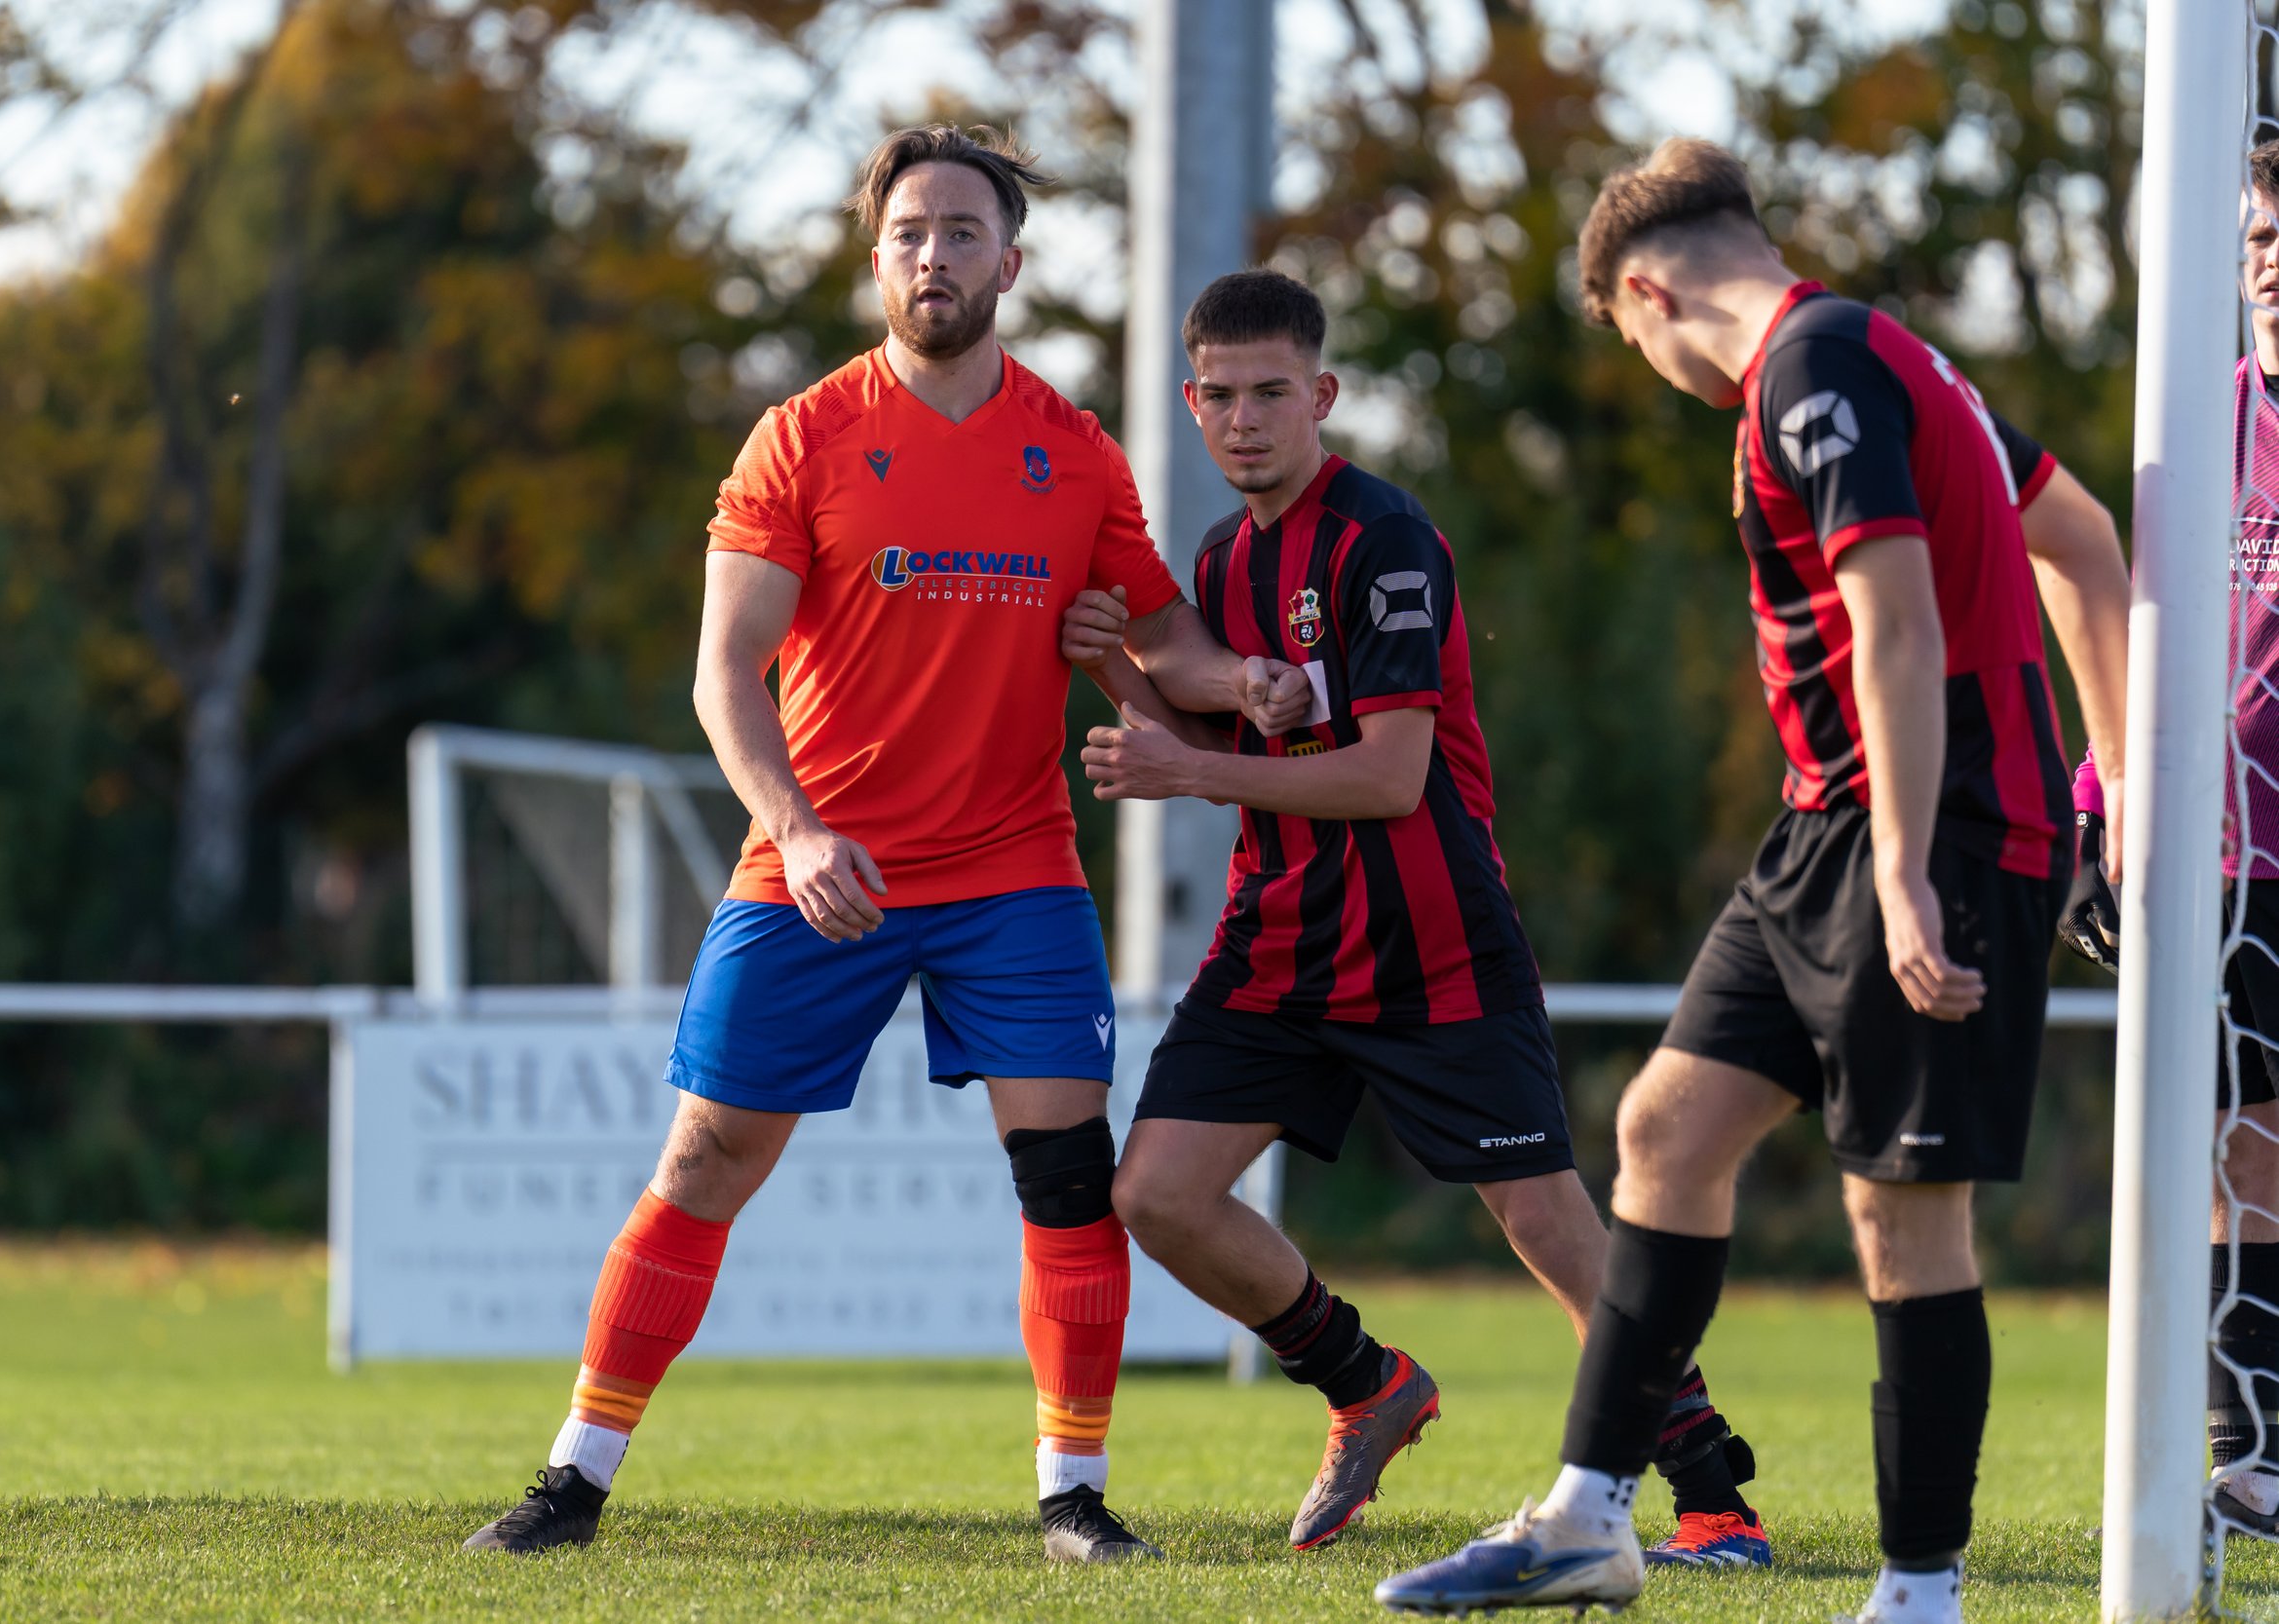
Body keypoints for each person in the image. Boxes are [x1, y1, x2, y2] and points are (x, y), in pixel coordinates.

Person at [459, 123, 1308, 1563]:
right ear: (877, 261)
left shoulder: (1075, 449)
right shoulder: (802, 436)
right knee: (707, 1160)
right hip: (817, 865)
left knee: (1064, 1173)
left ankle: (1073, 1500)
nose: (935, 255)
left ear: (1011, 263)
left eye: (962, 232)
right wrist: (792, 832)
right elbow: (724, 675)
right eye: (910, 232)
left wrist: (1248, 684)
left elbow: (1163, 636)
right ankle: (574, 1481)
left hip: (1013, 872)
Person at [1374, 138, 2129, 1624]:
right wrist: (2110, 773)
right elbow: (2085, 541)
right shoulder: (1899, 355)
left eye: (1628, 338)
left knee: (1903, 1222)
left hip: (1934, 832)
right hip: (1826, 830)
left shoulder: (1812, 367)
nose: (1650, 367)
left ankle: (1921, 1596)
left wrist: (1920, 868)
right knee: (1666, 1128)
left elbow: (1896, 623)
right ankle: (1592, 1519)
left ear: (1644, 292)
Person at [1062, 268, 1773, 1568]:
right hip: (1279, 943)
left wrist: (1189, 772)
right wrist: (1116, 665)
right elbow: (1216, 730)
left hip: (1431, 944)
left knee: (1554, 1232)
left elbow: (1388, 779)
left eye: (1273, 393)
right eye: (1218, 397)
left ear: (1322, 395)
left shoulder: (1383, 536)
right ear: (1191, 404)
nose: (1245, 421)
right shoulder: (1225, 556)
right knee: (1156, 1197)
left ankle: (1717, 1499)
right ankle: (1366, 1384)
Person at [2060, 137, 2279, 1539]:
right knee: (2226, 1143)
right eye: (2259, 232)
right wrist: (2095, 811)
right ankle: (2245, 1447)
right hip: (2221, 851)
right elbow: (2138, 626)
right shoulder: (2204, 418)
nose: (2269, 256)